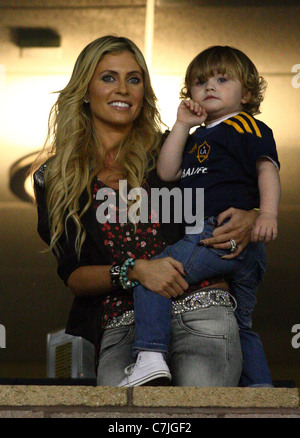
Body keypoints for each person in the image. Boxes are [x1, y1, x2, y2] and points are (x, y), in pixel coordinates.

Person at [32, 36, 258, 387]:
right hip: (122, 325)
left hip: (201, 309)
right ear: (85, 90)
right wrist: (135, 270)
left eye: (133, 79)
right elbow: (74, 276)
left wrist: (253, 214)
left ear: (143, 93)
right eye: (108, 77)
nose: (122, 89)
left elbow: (238, 185)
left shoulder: (179, 148)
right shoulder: (55, 178)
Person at [122, 45, 280, 388]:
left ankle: (149, 356)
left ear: (247, 93)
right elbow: (166, 172)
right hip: (218, 241)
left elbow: (267, 168)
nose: (210, 87)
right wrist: (182, 124)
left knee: (155, 272)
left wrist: (266, 213)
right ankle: (260, 389)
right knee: (241, 325)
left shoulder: (246, 126)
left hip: (214, 234)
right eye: (200, 82)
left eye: (222, 79)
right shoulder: (195, 137)